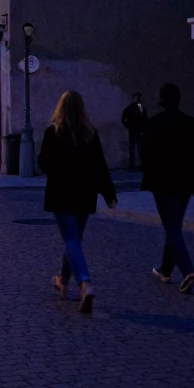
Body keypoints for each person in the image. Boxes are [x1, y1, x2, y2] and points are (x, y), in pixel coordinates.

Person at [37, 90, 117, 314]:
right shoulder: (90, 135)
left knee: (71, 240)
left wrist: (56, 165)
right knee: (74, 240)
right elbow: (100, 166)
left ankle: (85, 283)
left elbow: (43, 163)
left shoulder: (53, 133)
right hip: (84, 193)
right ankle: (63, 280)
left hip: (61, 192)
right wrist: (109, 194)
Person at [140, 83, 194, 294]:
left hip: (162, 183)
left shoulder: (154, 124)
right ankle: (165, 269)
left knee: (171, 227)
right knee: (174, 225)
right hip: (185, 183)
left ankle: (188, 270)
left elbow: (145, 155)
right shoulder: (191, 123)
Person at [121, 92, 148, 170]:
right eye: (136, 97)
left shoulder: (141, 108)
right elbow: (123, 119)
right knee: (132, 148)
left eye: (138, 97)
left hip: (139, 131)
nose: (137, 99)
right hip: (133, 131)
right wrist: (128, 126)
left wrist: (144, 129)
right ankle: (132, 165)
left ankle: (142, 165)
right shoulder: (129, 108)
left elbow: (145, 118)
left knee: (140, 148)